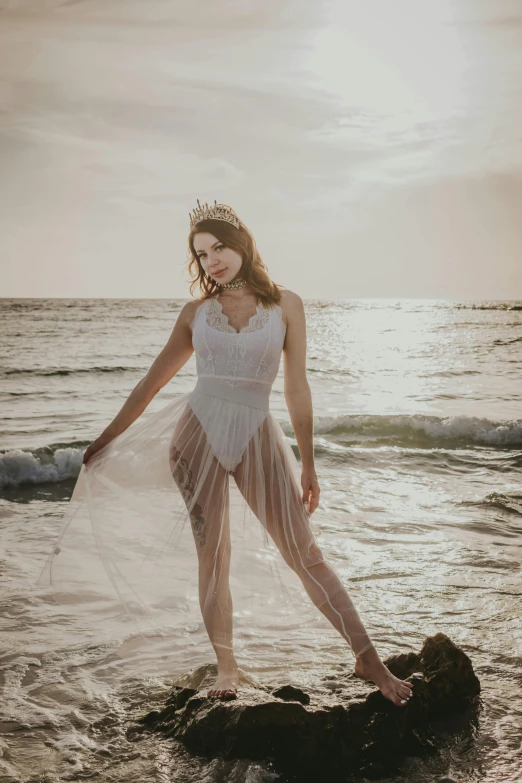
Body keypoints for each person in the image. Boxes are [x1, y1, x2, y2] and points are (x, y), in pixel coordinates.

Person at [40, 200, 413, 706]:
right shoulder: (195, 314)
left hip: (258, 433)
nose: (212, 260)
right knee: (213, 556)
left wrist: (308, 462)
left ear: (242, 245)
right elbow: (151, 383)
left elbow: (296, 388)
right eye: (201, 254)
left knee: (306, 554)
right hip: (196, 438)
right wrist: (106, 438)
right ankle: (226, 667)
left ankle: (367, 658)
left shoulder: (287, 304)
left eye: (219, 248)